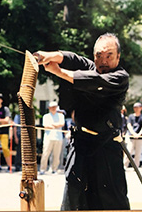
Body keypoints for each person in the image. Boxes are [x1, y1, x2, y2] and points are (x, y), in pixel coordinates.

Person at [34, 33, 130, 210]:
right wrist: (47, 55)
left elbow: (95, 82)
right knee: (74, 196)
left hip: (107, 145)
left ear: (118, 56)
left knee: (111, 199)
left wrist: (58, 72)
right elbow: (72, 58)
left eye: (109, 55)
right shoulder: (90, 67)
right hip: (81, 143)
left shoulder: (120, 77)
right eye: (99, 55)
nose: (103, 60)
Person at [39, 101, 65, 175]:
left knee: (56, 155)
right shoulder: (46, 116)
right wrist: (55, 125)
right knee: (45, 153)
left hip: (58, 137)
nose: (53, 108)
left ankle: (54, 169)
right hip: (48, 137)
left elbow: (61, 124)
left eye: (54, 107)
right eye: (52, 107)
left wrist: (53, 125)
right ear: (49, 108)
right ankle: (42, 169)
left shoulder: (61, 116)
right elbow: (46, 126)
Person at [124, 102, 142, 168]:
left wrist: (139, 134)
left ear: (141, 108)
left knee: (138, 153)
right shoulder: (131, 116)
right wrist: (133, 133)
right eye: (135, 107)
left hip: (139, 137)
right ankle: (125, 166)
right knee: (128, 152)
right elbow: (129, 125)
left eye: (138, 107)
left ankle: (136, 167)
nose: (136, 109)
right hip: (131, 137)